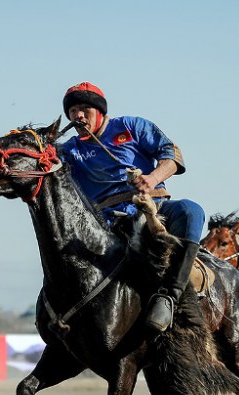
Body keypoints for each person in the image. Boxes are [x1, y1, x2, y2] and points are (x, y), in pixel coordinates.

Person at [60, 82, 205, 333]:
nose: (79, 115)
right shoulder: (70, 149)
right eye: (73, 111)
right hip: (106, 223)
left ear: (100, 111)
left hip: (153, 209)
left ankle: (170, 295)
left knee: (192, 211)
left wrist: (152, 179)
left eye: (85, 109)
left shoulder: (132, 126)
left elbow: (173, 157)